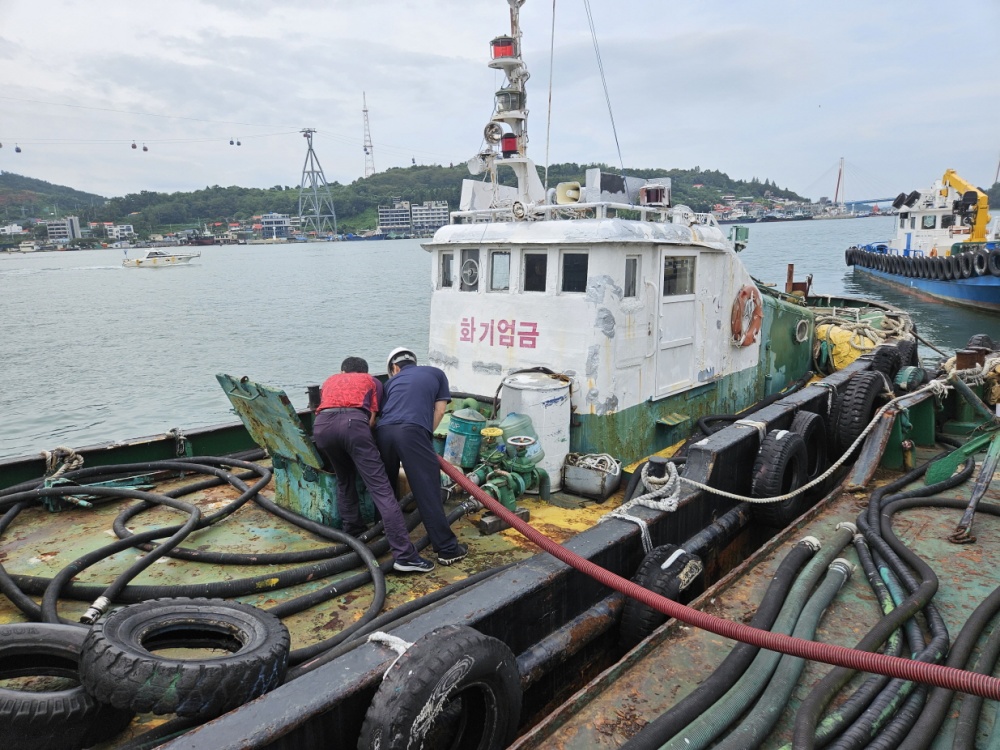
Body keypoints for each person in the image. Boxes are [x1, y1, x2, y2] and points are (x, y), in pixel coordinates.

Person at [312, 356, 434, 573]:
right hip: (353, 425)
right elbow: (371, 420)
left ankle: (353, 532)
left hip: (322, 428)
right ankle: (405, 556)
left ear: (343, 371)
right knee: (382, 490)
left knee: (344, 479)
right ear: (365, 371)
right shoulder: (372, 381)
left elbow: (325, 407)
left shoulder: (330, 380)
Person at [376, 347, 468, 566]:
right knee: (427, 490)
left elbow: (384, 412)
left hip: (383, 431)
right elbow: (440, 410)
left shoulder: (390, 383)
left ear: (394, 368)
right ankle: (447, 549)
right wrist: (424, 438)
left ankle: (382, 535)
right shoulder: (436, 373)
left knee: (385, 487)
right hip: (412, 430)